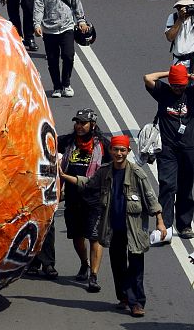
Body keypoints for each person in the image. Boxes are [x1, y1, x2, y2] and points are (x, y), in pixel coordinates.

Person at [61, 135, 166, 317]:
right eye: (116, 150)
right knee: (117, 265)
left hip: (133, 229)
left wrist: (160, 222)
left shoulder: (137, 174)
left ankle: (137, 303)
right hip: (113, 228)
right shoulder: (104, 172)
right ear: (111, 151)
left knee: (135, 268)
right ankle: (123, 297)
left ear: (128, 152)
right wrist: (65, 177)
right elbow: (88, 183)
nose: (119, 153)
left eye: (122, 150)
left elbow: (151, 198)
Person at [58, 108, 111, 291]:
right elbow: (47, 143)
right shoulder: (68, 141)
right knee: (77, 236)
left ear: (92, 125)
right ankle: (84, 264)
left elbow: (116, 165)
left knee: (95, 237)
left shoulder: (103, 145)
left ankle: (94, 276)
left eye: (83, 123)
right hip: (73, 198)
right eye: (77, 122)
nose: (79, 126)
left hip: (95, 199)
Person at [144, 64, 194, 239]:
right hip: (167, 148)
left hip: (189, 148)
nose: (178, 89)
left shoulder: (191, 93)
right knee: (167, 185)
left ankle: (185, 225)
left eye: (181, 85)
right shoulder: (164, 92)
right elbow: (148, 77)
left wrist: (188, 77)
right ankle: (165, 226)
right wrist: (170, 74)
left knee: (186, 187)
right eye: (175, 85)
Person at [33, 0, 87, 97]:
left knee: (68, 56)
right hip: (49, 30)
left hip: (67, 28)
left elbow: (77, 5)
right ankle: (57, 87)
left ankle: (66, 84)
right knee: (52, 59)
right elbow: (38, 9)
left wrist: (81, 21)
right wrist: (37, 24)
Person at [165, 0, 194, 71]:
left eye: (188, 6)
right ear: (178, 8)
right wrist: (180, 19)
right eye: (182, 6)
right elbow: (170, 38)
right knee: (179, 83)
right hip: (179, 62)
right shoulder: (173, 17)